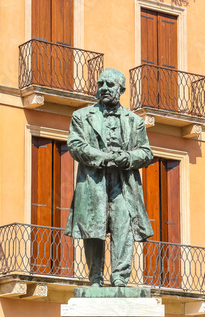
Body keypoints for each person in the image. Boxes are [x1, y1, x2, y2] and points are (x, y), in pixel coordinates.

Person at [64, 68, 154, 287]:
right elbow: (75, 145)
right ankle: (95, 277)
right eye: (100, 84)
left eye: (109, 85)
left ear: (121, 90)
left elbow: (146, 152)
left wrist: (128, 157)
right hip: (94, 181)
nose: (103, 88)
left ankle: (120, 277)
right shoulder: (82, 116)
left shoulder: (135, 121)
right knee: (94, 230)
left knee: (124, 226)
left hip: (123, 183)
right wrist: (103, 157)